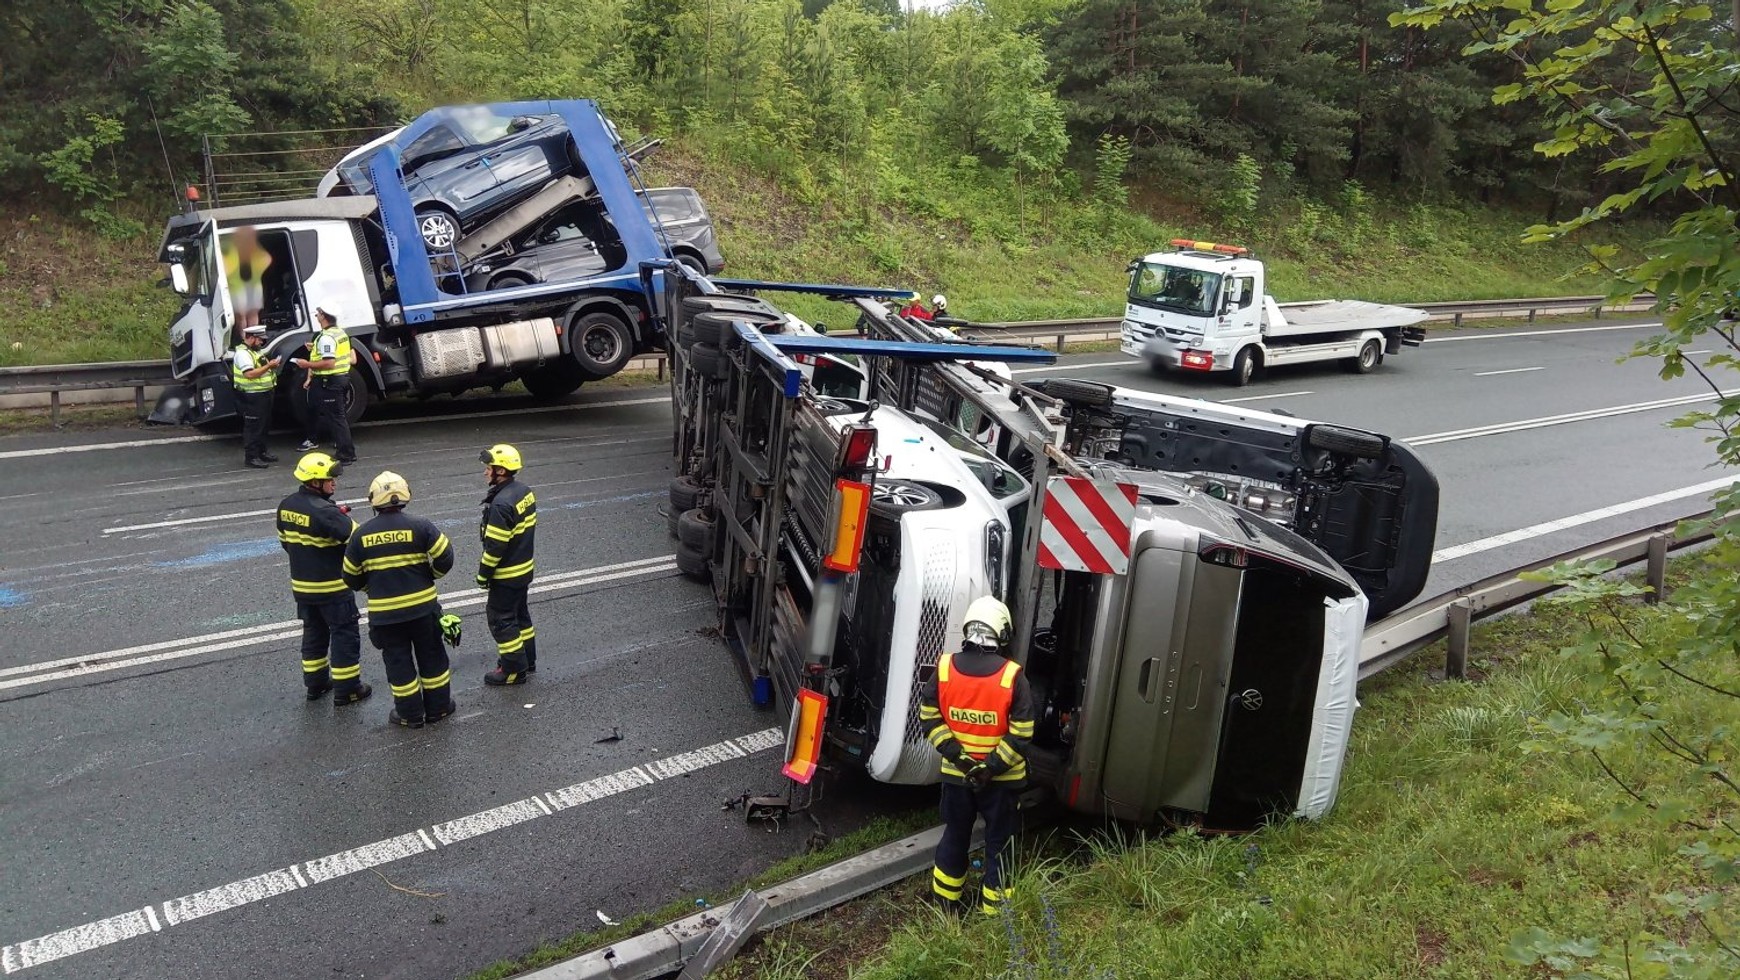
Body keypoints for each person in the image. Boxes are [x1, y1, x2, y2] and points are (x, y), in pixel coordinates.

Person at [918, 596, 1035, 916]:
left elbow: (929, 717)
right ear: (1002, 633)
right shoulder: (1012, 676)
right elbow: (1022, 733)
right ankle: (995, 917)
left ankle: (945, 908)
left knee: (955, 836)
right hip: (1002, 783)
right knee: (1000, 844)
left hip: (957, 779)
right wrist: (990, 768)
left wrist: (960, 759)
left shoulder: (944, 668)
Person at [343, 471, 456, 728]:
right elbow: (445, 557)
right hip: (423, 609)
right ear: (405, 494)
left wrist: (371, 588)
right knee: (432, 657)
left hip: (386, 616)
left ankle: (409, 715)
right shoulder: (421, 525)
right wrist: (431, 575)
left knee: (398, 662)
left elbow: (350, 576)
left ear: (374, 500)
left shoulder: (360, 535)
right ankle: (438, 709)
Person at [275, 452, 371, 705]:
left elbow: (286, 543)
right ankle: (348, 689)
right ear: (315, 482)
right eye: (329, 479)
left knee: (314, 634)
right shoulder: (327, 513)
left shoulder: (286, 506)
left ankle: (315, 684)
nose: (334, 482)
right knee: (344, 634)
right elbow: (359, 542)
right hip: (333, 589)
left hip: (302, 588)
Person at [477, 444, 538, 686]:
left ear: (501, 471)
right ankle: (528, 659)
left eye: (489, 468)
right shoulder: (524, 491)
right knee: (520, 616)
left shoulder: (501, 504)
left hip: (506, 574)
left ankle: (513, 670)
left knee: (501, 620)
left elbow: (495, 547)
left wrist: (483, 575)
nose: (486, 472)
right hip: (523, 569)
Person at [293, 307, 358, 464]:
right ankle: (346, 451)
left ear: (324, 316)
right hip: (340, 378)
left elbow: (329, 363)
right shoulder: (340, 333)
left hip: (331, 381)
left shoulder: (326, 337)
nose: (316, 315)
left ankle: (346, 454)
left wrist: (306, 364)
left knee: (336, 419)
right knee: (338, 417)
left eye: (319, 313)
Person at [234, 325, 282, 469]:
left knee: (264, 425)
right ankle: (251, 457)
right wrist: (269, 366)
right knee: (253, 427)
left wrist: (271, 366)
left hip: (264, 393)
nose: (262, 342)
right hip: (252, 396)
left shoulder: (255, 351)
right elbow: (249, 374)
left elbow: (260, 369)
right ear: (251, 338)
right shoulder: (243, 354)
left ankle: (262, 452)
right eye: (260, 339)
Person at [222, 225, 272, 331]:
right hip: (236, 286)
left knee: (250, 314)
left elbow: (266, 258)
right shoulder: (230, 248)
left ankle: (252, 337)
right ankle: (244, 339)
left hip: (251, 285)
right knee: (241, 317)